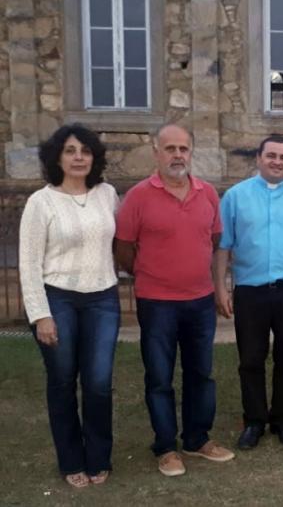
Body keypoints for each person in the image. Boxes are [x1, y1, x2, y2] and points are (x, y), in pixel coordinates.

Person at [115, 124, 234, 477]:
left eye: (183, 148)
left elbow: (214, 239)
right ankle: (166, 447)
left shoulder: (207, 193)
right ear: (156, 152)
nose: (177, 155)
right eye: (170, 148)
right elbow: (123, 249)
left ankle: (197, 439)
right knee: (159, 377)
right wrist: (147, 272)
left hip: (200, 300)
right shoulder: (138, 196)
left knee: (201, 374)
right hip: (157, 303)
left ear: (191, 152)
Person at [19, 124, 120, 487]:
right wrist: (40, 315)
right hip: (57, 297)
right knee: (62, 381)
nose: (79, 157)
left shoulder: (107, 194)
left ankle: (98, 458)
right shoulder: (41, 202)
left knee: (98, 382)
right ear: (57, 157)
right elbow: (28, 262)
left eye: (85, 151)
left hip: (103, 299)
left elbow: (119, 242)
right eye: (70, 150)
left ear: (95, 158)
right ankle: (71, 460)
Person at [214, 135, 283, 449]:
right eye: (271, 155)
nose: (277, 162)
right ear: (259, 159)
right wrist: (220, 287)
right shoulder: (235, 196)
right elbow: (223, 246)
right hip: (251, 291)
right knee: (251, 359)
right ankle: (255, 421)